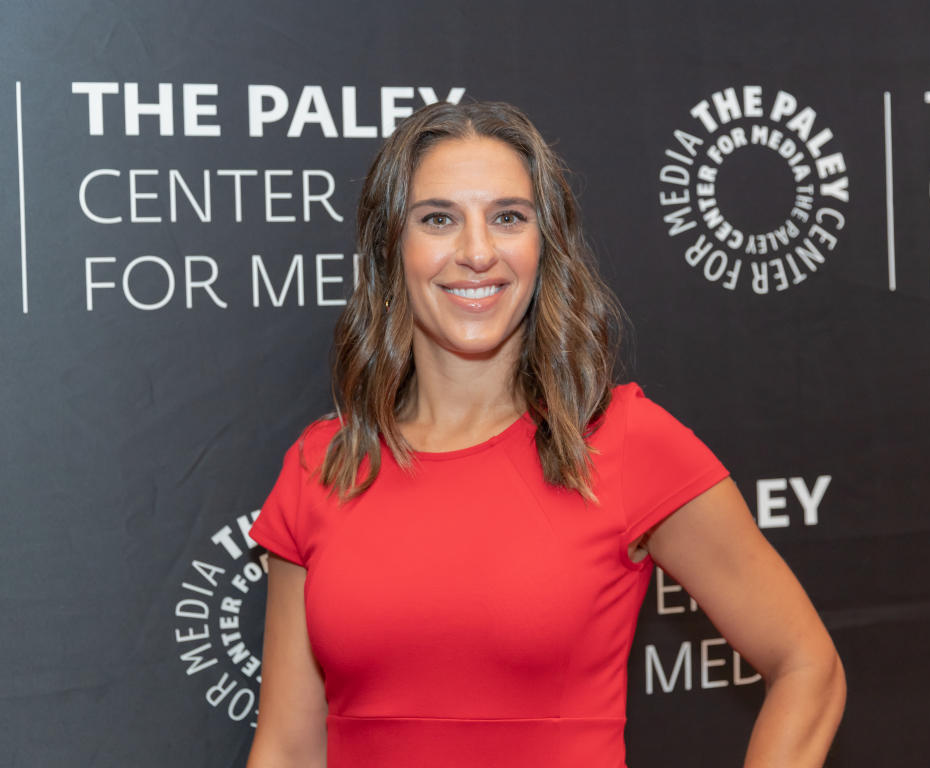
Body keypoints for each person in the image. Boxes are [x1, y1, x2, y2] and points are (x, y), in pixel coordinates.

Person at [246, 101, 845, 768]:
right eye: (438, 219)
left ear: (544, 246)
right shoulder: (322, 464)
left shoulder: (625, 442)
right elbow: (288, 747)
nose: (476, 252)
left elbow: (806, 666)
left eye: (508, 217)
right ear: (391, 250)